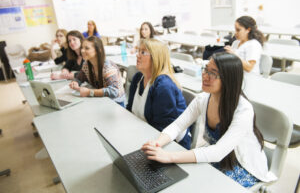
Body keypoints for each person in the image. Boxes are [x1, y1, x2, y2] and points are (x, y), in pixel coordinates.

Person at [142, 52, 277, 188]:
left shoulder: (243, 110)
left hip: (243, 166)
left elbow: (217, 152)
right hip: (217, 158)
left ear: (228, 79)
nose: (205, 76)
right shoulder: (203, 99)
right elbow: (178, 126)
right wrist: (157, 143)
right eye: (206, 69)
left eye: (213, 73)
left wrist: (169, 156)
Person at [127, 39, 191, 149]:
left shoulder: (163, 86)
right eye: (138, 51)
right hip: (144, 135)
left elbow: (162, 129)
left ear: (155, 58)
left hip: (170, 145)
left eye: (143, 52)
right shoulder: (138, 78)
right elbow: (129, 110)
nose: (137, 55)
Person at [69, 36, 125, 106]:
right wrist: (75, 82)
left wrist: (89, 92)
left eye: (87, 48)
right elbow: (80, 78)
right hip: (101, 101)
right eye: (82, 48)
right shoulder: (86, 64)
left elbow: (114, 91)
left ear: (99, 50)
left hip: (116, 104)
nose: (82, 51)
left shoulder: (108, 68)